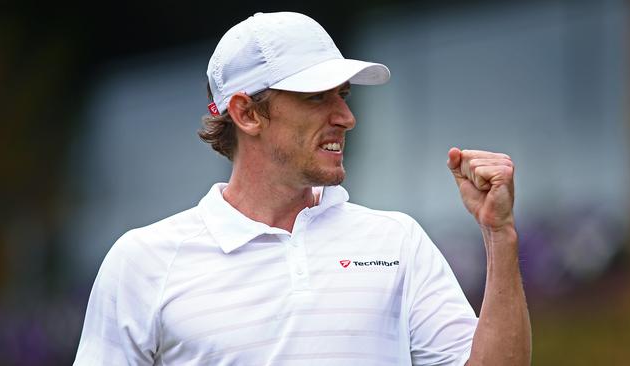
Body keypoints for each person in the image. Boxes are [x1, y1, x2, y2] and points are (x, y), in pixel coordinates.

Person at [74, 11, 531, 366]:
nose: (346, 117)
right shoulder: (143, 261)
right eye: (317, 97)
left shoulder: (398, 241)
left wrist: (499, 235)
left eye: (343, 95)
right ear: (246, 113)